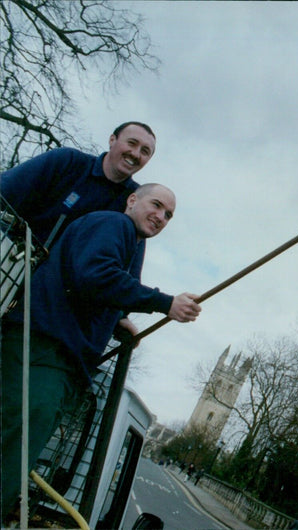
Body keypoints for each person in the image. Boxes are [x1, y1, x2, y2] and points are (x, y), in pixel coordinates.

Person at [1, 183, 201, 520]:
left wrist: (116, 321)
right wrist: (165, 302)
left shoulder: (123, 239)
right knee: (11, 456)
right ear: (132, 199)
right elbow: (95, 275)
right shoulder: (115, 225)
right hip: (43, 355)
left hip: (52, 359)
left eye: (168, 215)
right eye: (156, 205)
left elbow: (90, 287)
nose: (161, 217)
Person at [1, 121, 158, 336]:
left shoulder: (135, 202)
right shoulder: (66, 162)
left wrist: (121, 316)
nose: (136, 154)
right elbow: (5, 193)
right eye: (132, 143)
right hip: (12, 266)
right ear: (112, 140)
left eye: (145, 152)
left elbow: (129, 267)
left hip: (54, 305)